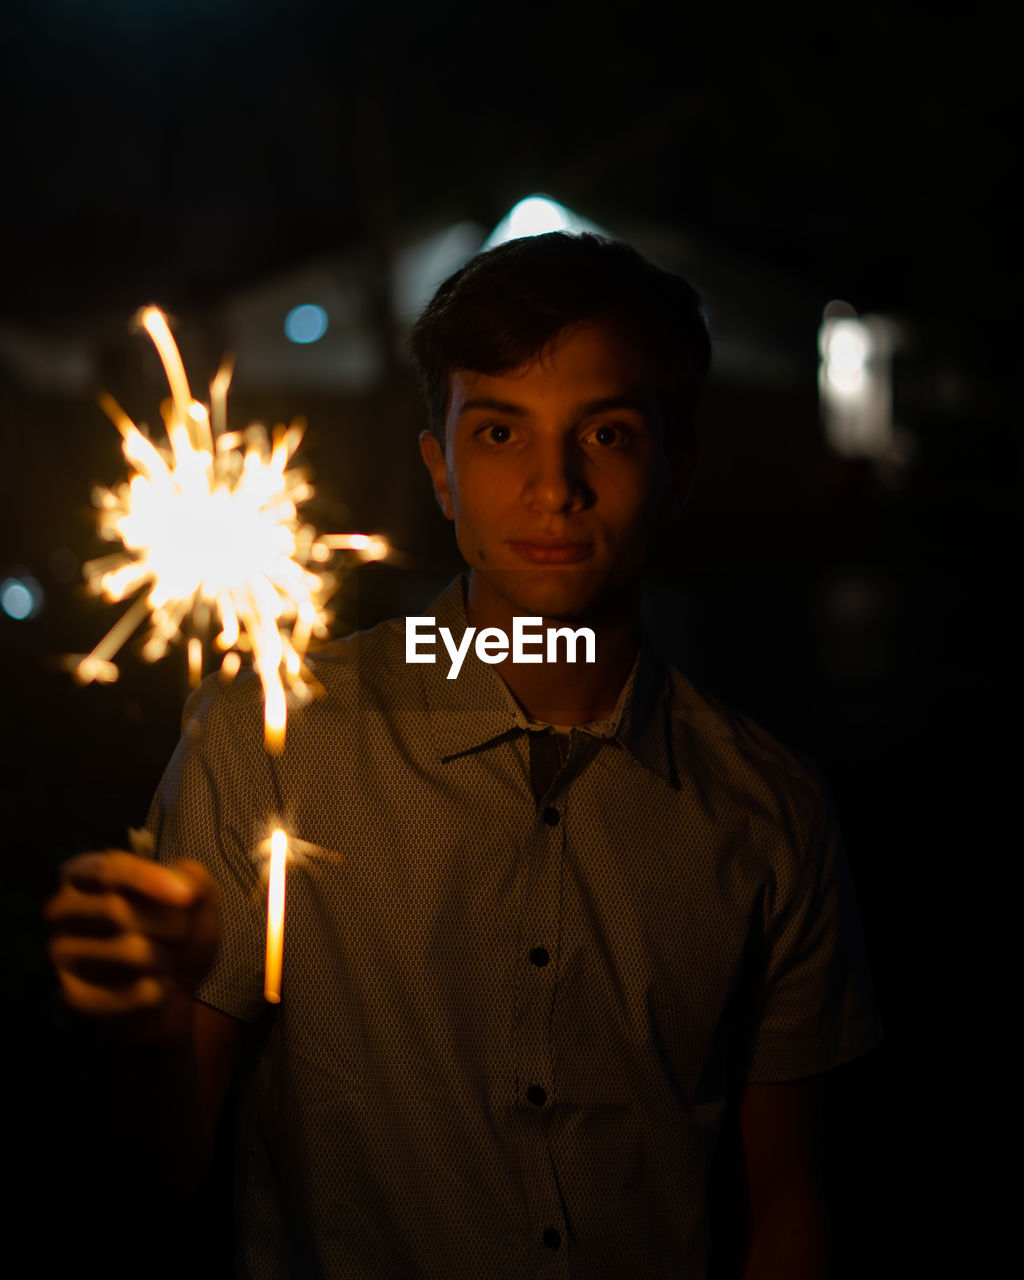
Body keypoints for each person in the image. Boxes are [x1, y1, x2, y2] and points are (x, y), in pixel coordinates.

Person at [46, 231, 883, 1279]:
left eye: (609, 434)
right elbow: (157, 1175)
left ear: (678, 468)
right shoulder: (272, 741)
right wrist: (144, 1029)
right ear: (438, 468)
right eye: (498, 432)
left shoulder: (769, 810)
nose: (553, 486)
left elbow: (789, 1196)